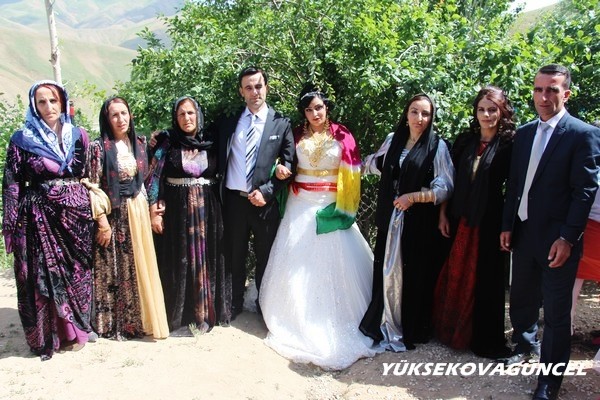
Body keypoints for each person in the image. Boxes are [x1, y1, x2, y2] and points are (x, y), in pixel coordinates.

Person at [258, 86, 382, 370]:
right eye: (309, 109)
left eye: (319, 108)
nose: (315, 113)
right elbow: (282, 161)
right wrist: (279, 169)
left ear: (327, 108)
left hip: (331, 204)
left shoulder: (342, 134)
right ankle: (293, 317)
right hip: (299, 203)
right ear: (303, 113)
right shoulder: (295, 134)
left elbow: (353, 171)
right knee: (295, 263)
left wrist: (343, 205)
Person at [500, 64, 599, 400]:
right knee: (522, 297)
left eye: (552, 90)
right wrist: (507, 225)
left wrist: (568, 238)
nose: (544, 96)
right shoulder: (525, 133)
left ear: (565, 94)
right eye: (539, 89)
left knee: (556, 315)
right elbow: (515, 184)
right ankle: (524, 345)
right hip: (524, 233)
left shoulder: (582, 134)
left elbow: (584, 192)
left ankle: (549, 382)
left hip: (558, 240)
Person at [2, 80, 94, 360]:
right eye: (41, 102)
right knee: (44, 274)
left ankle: (80, 327)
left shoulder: (78, 135)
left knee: (77, 271)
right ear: (34, 105)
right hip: (38, 216)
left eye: (53, 100)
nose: (49, 106)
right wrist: (11, 223)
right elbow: (12, 182)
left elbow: (87, 174)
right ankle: (56, 334)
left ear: (62, 102)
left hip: (75, 218)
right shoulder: (22, 139)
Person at [359, 94, 454, 351]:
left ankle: (408, 326)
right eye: (414, 112)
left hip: (418, 223)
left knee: (412, 275)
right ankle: (382, 321)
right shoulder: (394, 140)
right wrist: (345, 164)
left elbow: (446, 186)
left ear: (432, 118)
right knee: (385, 270)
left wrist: (413, 197)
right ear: (406, 114)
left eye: (425, 114)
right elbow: (374, 165)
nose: (419, 118)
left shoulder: (437, 147)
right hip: (389, 218)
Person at [433, 86, 515, 359]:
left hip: (490, 221)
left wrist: (508, 226)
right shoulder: (465, 141)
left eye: (492, 109)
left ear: (502, 112)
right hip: (459, 217)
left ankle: (484, 341)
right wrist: (443, 213)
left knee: (486, 281)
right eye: (481, 109)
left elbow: (514, 189)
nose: (486, 115)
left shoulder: (510, 145)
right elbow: (450, 180)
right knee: (454, 273)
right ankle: (450, 332)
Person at [212, 66, 295, 318]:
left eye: (258, 86)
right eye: (248, 87)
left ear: (266, 88)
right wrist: (162, 138)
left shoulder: (281, 123)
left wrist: (267, 191)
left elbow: (290, 164)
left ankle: (264, 305)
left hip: (264, 203)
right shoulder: (229, 122)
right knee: (234, 254)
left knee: (265, 256)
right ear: (241, 92)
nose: (254, 92)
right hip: (234, 202)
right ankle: (234, 303)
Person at [146, 96, 230, 334]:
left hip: (208, 212)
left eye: (190, 113)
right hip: (177, 212)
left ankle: (206, 313)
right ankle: (181, 315)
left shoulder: (211, 142)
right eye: (181, 114)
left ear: (198, 115)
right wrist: (154, 211)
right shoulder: (166, 143)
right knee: (179, 261)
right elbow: (153, 178)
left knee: (207, 258)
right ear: (175, 118)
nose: (186, 118)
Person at [89, 96, 169, 340]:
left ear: (130, 115)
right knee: (115, 267)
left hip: (138, 209)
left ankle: (139, 320)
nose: (120, 119)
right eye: (114, 115)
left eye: (124, 113)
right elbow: (92, 186)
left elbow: (148, 178)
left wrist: (153, 208)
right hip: (114, 213)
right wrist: (102, 221)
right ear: (107, 119)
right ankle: (116, 323)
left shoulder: (139, 144)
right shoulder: (98, 148)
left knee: (139, 264)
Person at [571, 121, 600, 343]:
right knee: (572, 278)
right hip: (586, 228)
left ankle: (565, 329)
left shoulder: (583, 160)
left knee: (573, 279)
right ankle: (565, 328)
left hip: (585, 228)